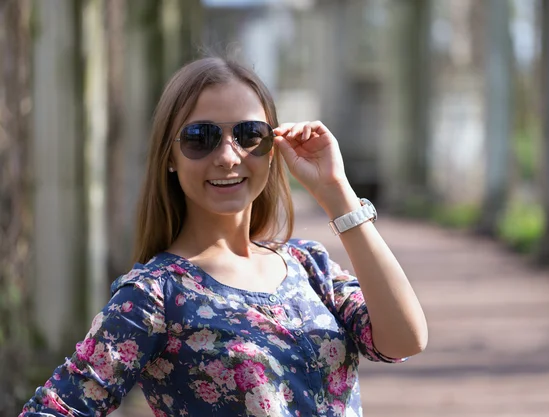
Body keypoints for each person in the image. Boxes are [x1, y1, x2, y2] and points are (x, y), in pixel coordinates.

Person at [20, 55, 427, 417]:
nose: (229, 156)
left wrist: (337, 192)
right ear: (170, 158)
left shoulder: (309, 266)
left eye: (250, 134)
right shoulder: (154, 296)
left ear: (272, 147)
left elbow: (402, 340)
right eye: (200, 138)